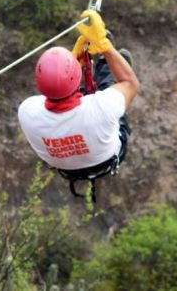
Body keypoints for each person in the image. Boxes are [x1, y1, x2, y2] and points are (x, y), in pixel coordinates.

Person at [18, 10, 140, 190]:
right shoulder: (102, 107)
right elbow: (130, 83)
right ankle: (107, 62)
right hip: (106, 159)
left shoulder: (27, 111)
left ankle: (104, 63)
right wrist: (106, 47)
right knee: (107, 86)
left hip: (68, 168)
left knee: (96, 102)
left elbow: (57, 93)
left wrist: (70, 65)